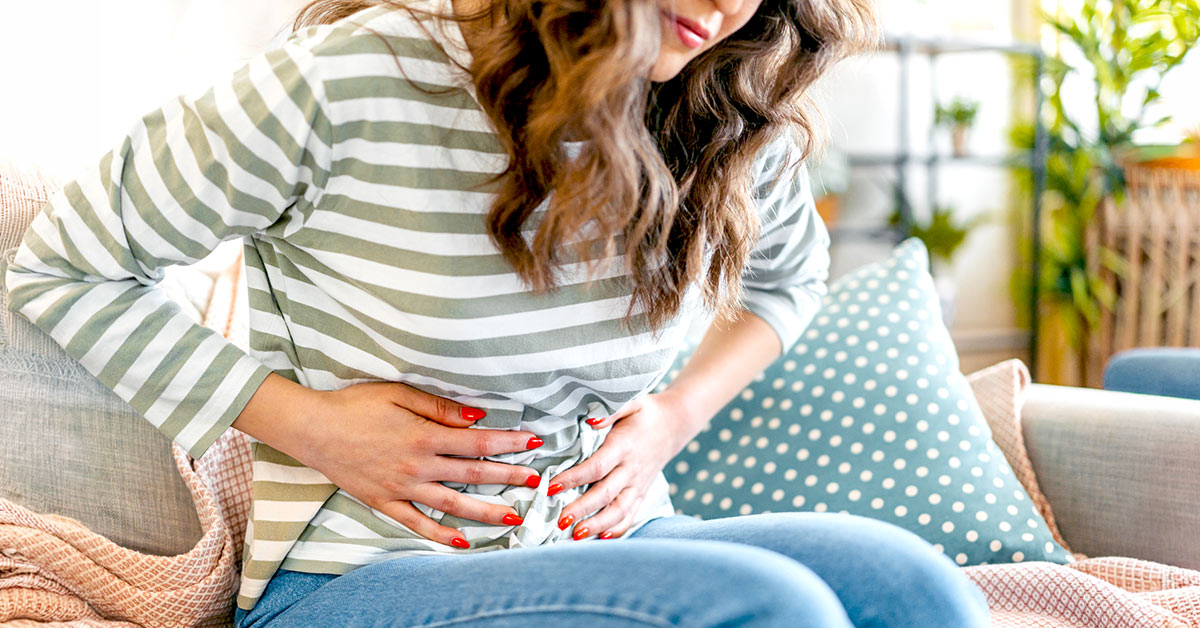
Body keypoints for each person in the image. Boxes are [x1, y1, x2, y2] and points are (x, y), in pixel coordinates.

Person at [3, 0, 992, 625]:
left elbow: (788, 281)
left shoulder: (716, 110)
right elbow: (66, 264)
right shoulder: (351, 78)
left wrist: (670, 420)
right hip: (359, 579)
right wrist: (309, 425)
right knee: (773, 608)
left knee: (916, 587)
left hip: (612, 542)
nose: (728, 6)